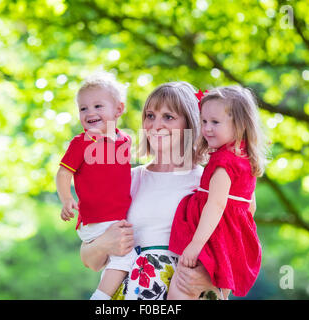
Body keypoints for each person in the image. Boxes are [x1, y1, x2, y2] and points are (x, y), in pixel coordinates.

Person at [78, 81, 243, 300]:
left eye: (168, 117)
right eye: (150, 115)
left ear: (190, 123)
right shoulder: (127, 179)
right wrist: (104, 243)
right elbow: (89, 258)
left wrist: (210, 281)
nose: (155, 125)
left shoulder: (210, 183)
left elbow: (234, 251)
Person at [167, 85, 267, 300]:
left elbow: (216, 204)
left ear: (239, 125)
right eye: (203, 121)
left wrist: (195, 244)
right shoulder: (246, 159)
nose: (207, 128)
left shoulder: (223, 162)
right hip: (230, 240)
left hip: (211, 237)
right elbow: (250, 206)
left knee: (181, 288)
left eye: (215, 122)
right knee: (211, 290)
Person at [55, 71, 136, 300]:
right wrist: (66, 199)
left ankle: (107, 294)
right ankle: (99, 299)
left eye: (98, 106)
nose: (90, 113)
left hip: (114, 218)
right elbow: (62, 173)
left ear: (118, 110)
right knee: (125, 258)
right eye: (83, 108)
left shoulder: (125, 141)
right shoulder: (81, 143)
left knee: (117, 262)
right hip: (96, 219)